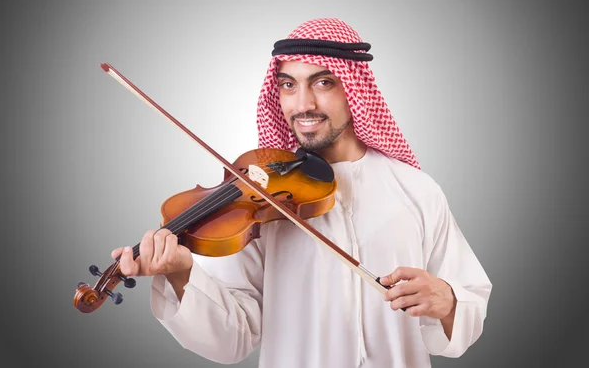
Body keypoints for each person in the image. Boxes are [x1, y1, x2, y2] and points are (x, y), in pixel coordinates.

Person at [112, 18, 492, 367]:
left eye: (323, 83)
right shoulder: (259, 204)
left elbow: (468, 302)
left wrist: (448, 302)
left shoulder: (416, 191)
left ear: (354, 89)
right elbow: (232, 338)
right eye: (288, 85)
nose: (303, 104)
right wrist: (181, 275)